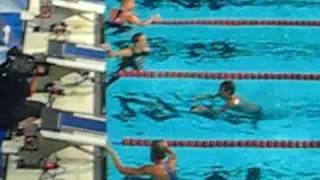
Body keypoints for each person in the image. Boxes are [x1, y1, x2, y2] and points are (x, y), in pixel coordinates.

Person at [0, 47, 45, 131]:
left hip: (7, 107)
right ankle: (18, 127)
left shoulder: (4, 71)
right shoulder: (18, 80)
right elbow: (31, 92)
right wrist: (35, 76)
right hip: (9, 113)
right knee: (42, 110)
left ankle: (16, 126)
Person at [191, 80, 262, 121]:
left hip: (253, 112)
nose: (219, 91)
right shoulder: (224, 95)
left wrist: (203, 110)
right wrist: (198, 97)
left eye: (220, 90)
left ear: (228, 92)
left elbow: (218, 113)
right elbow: (211, 96)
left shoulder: (233, 102)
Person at [106, 140, 177, 180]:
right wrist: (163, 148)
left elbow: (122, 170)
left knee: (129, 178)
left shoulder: (150, 169)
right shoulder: (172, 162)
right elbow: (172, 153)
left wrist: (113, 154)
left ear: (153, 154)